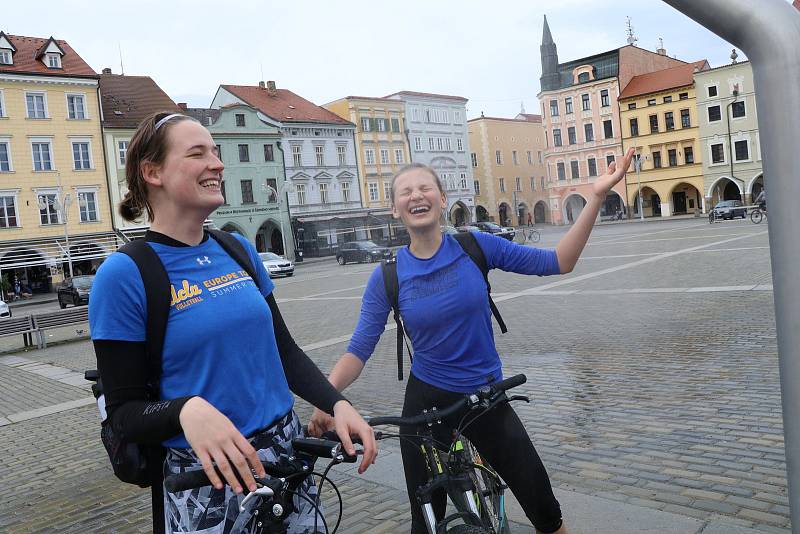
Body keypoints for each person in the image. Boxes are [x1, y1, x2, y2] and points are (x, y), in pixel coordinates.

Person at [310, 151, 635, 534]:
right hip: (426, 404)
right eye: (406, 192)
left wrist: (596, 196)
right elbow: (359, 350)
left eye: (425, 187)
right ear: (395, 208)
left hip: (486, 397)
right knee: (425, 520)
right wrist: (327, 397)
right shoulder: (387, 276)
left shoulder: (476, 247)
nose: (417, 195)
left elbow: (560, 261)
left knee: (545, 510)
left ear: (442, 198)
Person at [89, 111, 376, 534]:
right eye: (198, 153)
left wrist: (337, 403)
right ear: (153, 172)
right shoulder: (124, 275)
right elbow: (124, 414)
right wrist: (185, 410)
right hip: (206, 478)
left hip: (286, 460)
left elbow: (285, 351)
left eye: (217, 153)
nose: (217, 163)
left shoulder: (238, 248)